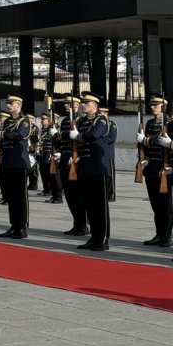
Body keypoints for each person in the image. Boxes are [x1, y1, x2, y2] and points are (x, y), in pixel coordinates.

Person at [73, 92, 110, 251]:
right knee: (89, 205)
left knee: (100, 206)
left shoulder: (101, 120)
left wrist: (79, 136)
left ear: (94, 106)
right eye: (83, 103)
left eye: (87, 103)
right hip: (85, 167)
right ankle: (94, 237)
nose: (83, 105)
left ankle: (102, 239)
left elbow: (94, 135)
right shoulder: (81, 121)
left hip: (98, 167)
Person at [0, 94, 31, 239]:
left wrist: (0, 133)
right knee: (11, 196)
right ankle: (14, 225)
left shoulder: (24, 121)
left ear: (18, 105)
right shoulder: (8, 121)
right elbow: (3, 139)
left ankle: (21, 227)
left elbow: (18, 136)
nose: (8, 106)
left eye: (11, 103)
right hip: (7, 161)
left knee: (20, 197)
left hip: (19, 162)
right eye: (7, 103)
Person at [137, 94, 173, 248]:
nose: (152, 107)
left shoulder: (169, 124)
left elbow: (159, 140)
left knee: (165, 205)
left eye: (156, 105)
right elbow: (147, 147)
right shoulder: (150, 123)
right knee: (155, 204)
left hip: (163, 167)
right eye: (151, 105)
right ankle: (159, 233)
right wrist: (144, 158)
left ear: (163, 108)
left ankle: (167, 236)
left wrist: (144, 140)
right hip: (151, 167)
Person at [59, 94, 88, 237]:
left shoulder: (81, 120)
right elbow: (62, 139)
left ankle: (83, 225)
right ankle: (77, 224)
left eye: (69, 104)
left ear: (77, 105)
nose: (66, 106)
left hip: (75, 160)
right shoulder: (65, 120)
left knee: (78, 195)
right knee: (69, 195)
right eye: (65, 104)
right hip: (64, 159)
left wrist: (75, 156)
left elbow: (79, 139)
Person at [101, 106, 118, 202]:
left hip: (108, 154)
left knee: (110, 176)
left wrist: (101, 141)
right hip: (100, 154)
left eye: (102, 113)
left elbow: (112, 138)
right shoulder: (98, 123)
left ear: (106, 114)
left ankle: (111, 195)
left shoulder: (111, 124)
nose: (100, 115)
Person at [27, 114, 40, 191]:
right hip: (26, 149)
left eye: (31, 118)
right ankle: (31, 183)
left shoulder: (35, 128)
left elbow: (36, 140)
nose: (29, 120)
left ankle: (33, 184)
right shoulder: (25, 126)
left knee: (34, 169)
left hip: (32, 149)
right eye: (28, 118)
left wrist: (35, 149)